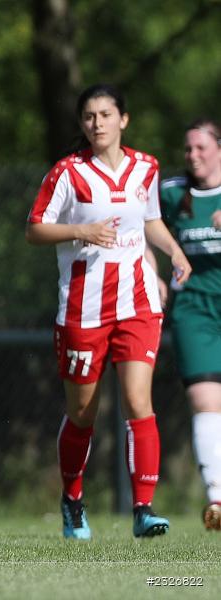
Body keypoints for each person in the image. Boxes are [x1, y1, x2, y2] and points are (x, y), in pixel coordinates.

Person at [26, 83, 192, 539]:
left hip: (138, 303)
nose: (97, 123)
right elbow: (35, 229)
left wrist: (174, 253)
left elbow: (151, 219)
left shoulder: (146, 167)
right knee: (83, 412)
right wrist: (80, 229)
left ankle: (143, 509)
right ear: (82, 124)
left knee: (140, 402)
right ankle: (72, 500)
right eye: (89, 116)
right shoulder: (68, 172)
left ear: (124, 119)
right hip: (82, 308)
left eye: (105, 114)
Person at [159, 118, 221, 531]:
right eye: (188, 148)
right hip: (193, 309)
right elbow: (140, 228)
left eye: (201, 147)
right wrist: (152, 271)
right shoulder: (169, 193)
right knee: (204, 401)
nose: (193, 155)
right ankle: (217, 501)